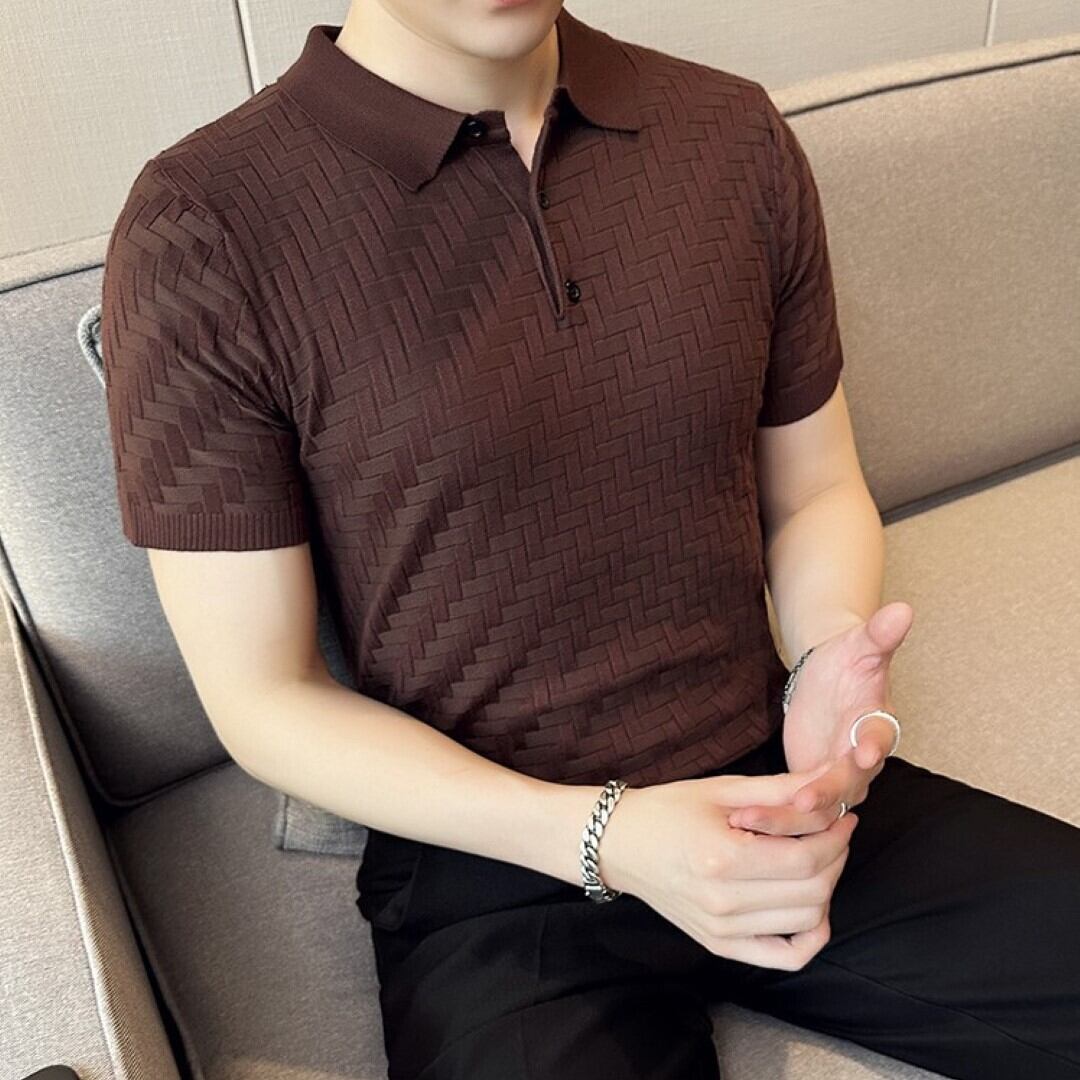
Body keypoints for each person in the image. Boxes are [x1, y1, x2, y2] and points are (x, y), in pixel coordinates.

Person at [99, 1, 1080, 1077]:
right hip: (491, 858)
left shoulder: (731, 133)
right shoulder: (200, 227)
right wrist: (609, 838)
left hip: (769, 786)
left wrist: (823, 661)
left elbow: (816, 489)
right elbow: (263, 696)